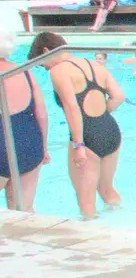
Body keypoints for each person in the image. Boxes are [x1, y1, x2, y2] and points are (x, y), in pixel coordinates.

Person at [30, 31, 123, 218]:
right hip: (110, 130)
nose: (46, 69)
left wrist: (78, 144)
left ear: (46, 50)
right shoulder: (94, 65)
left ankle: (95, 242)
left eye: (43, 64)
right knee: (107, 191)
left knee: (86, 202)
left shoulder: (58, 71)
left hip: (87, 137)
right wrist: (99, 115)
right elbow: (119, 97)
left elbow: (72, 108)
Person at [0, 31, 48, 212]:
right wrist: (43, 148)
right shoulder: (25, 73)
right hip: (28, 142)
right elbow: (41, 114)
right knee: (24, 210)